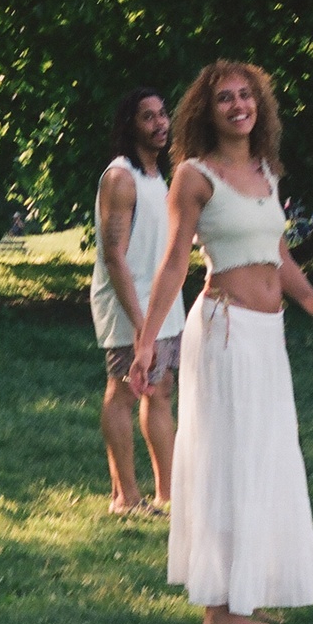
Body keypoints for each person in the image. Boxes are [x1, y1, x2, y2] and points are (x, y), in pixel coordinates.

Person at [130, 60, 313, 624]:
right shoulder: (194, 176)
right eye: (224, 98)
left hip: (266, 337)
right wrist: (148, 342)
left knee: (265, 456)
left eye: (245, 96)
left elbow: (278, 254)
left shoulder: (265, 172)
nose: (237, 106)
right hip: (224, 335)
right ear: (208, 111)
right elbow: (174, 261)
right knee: (229, 460)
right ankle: (221, 611)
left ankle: (244, 593)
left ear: (260, 106)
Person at [89, 88, 184, 515]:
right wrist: (141, 324)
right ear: (130, 125)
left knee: (160, 390)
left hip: (161, 305)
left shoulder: (157, 175)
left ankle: (167, 495)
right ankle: (125, 497)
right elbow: (114, 256)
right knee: (124, 390)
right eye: (149, 117)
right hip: (129, 306)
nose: (160, 123)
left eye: (163, 114)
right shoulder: (121, 177)